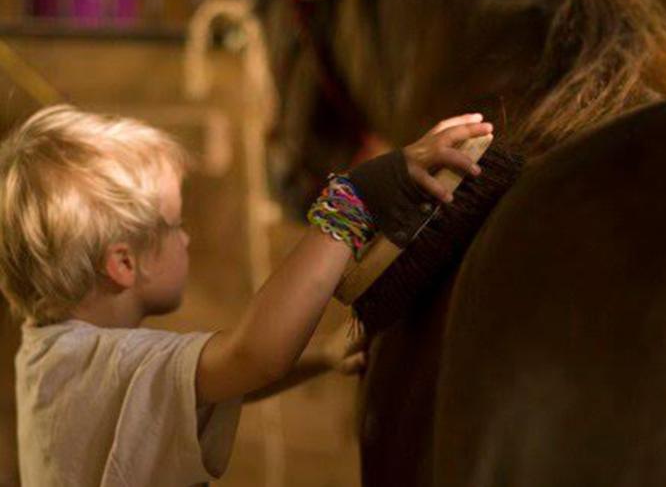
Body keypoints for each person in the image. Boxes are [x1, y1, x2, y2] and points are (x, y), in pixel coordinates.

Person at [0, 105, 492, 486]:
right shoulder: (97, 366)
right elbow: (252, 354)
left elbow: (206, 383)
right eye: (177, 225)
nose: (188, 239)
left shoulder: (52, 353)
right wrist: (353, 201)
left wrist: (319, 354)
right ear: (124, 264)